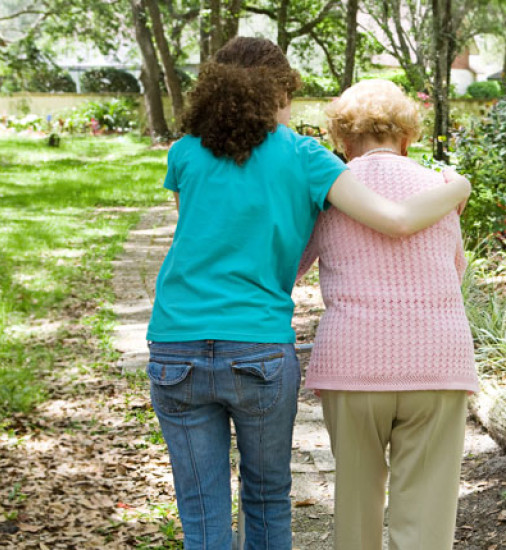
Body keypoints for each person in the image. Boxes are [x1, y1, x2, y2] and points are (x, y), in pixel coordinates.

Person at [145, 39, 470, 550]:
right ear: (279, 92)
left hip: (175, 341)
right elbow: (399, 222)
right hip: (256, 344)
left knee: (202, 509)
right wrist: (457, 189)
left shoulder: (184, 152)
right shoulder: (303, 157)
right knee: (268, 497)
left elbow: (200, 238)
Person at [297, 79, 479, 550]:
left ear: (341, 138)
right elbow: (454, 271)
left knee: (355, 509)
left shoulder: (329, 193)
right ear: (407, 135)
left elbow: (291, 266)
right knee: (426, 519)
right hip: (437, 364)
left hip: (352, 365)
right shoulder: (441, 189)